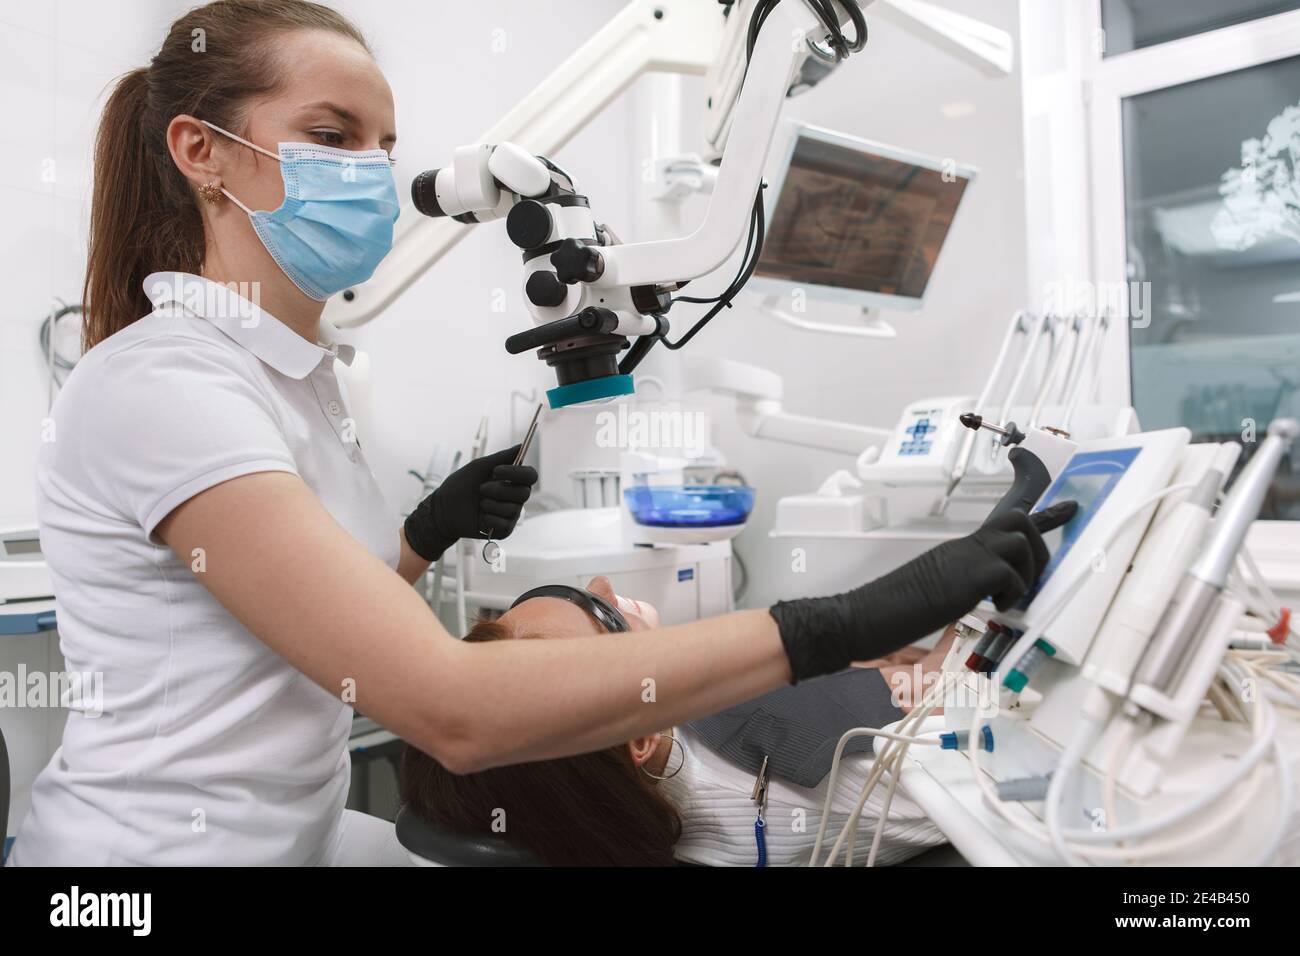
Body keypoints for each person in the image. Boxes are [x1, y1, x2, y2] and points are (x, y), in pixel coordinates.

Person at [9, 0, 1076, 866]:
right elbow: (451, 710)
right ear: (201, 151)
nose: (373, 172)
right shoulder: (166, 385)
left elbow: (294, 615)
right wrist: (838, 623)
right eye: (333, 137)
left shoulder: (294, 377)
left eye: (385, 145)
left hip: (298, 835)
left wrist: (423, 534)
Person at [400, 577, 952, 866]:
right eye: (604, 615)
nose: (603, 584)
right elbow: (957, 687)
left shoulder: (649, 746)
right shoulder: (839, 766)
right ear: (640, 736)